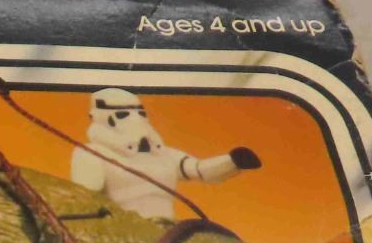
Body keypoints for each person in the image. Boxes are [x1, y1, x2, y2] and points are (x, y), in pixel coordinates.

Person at [70, 88, 261, 221]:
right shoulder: (92, 154)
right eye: (122, 114)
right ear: (97, 117)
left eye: (140, 113)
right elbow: (85, 200)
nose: (135, 119)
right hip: (123, 233)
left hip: (169, 231)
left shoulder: (164, 155)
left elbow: (199, 170)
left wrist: (232, 162)